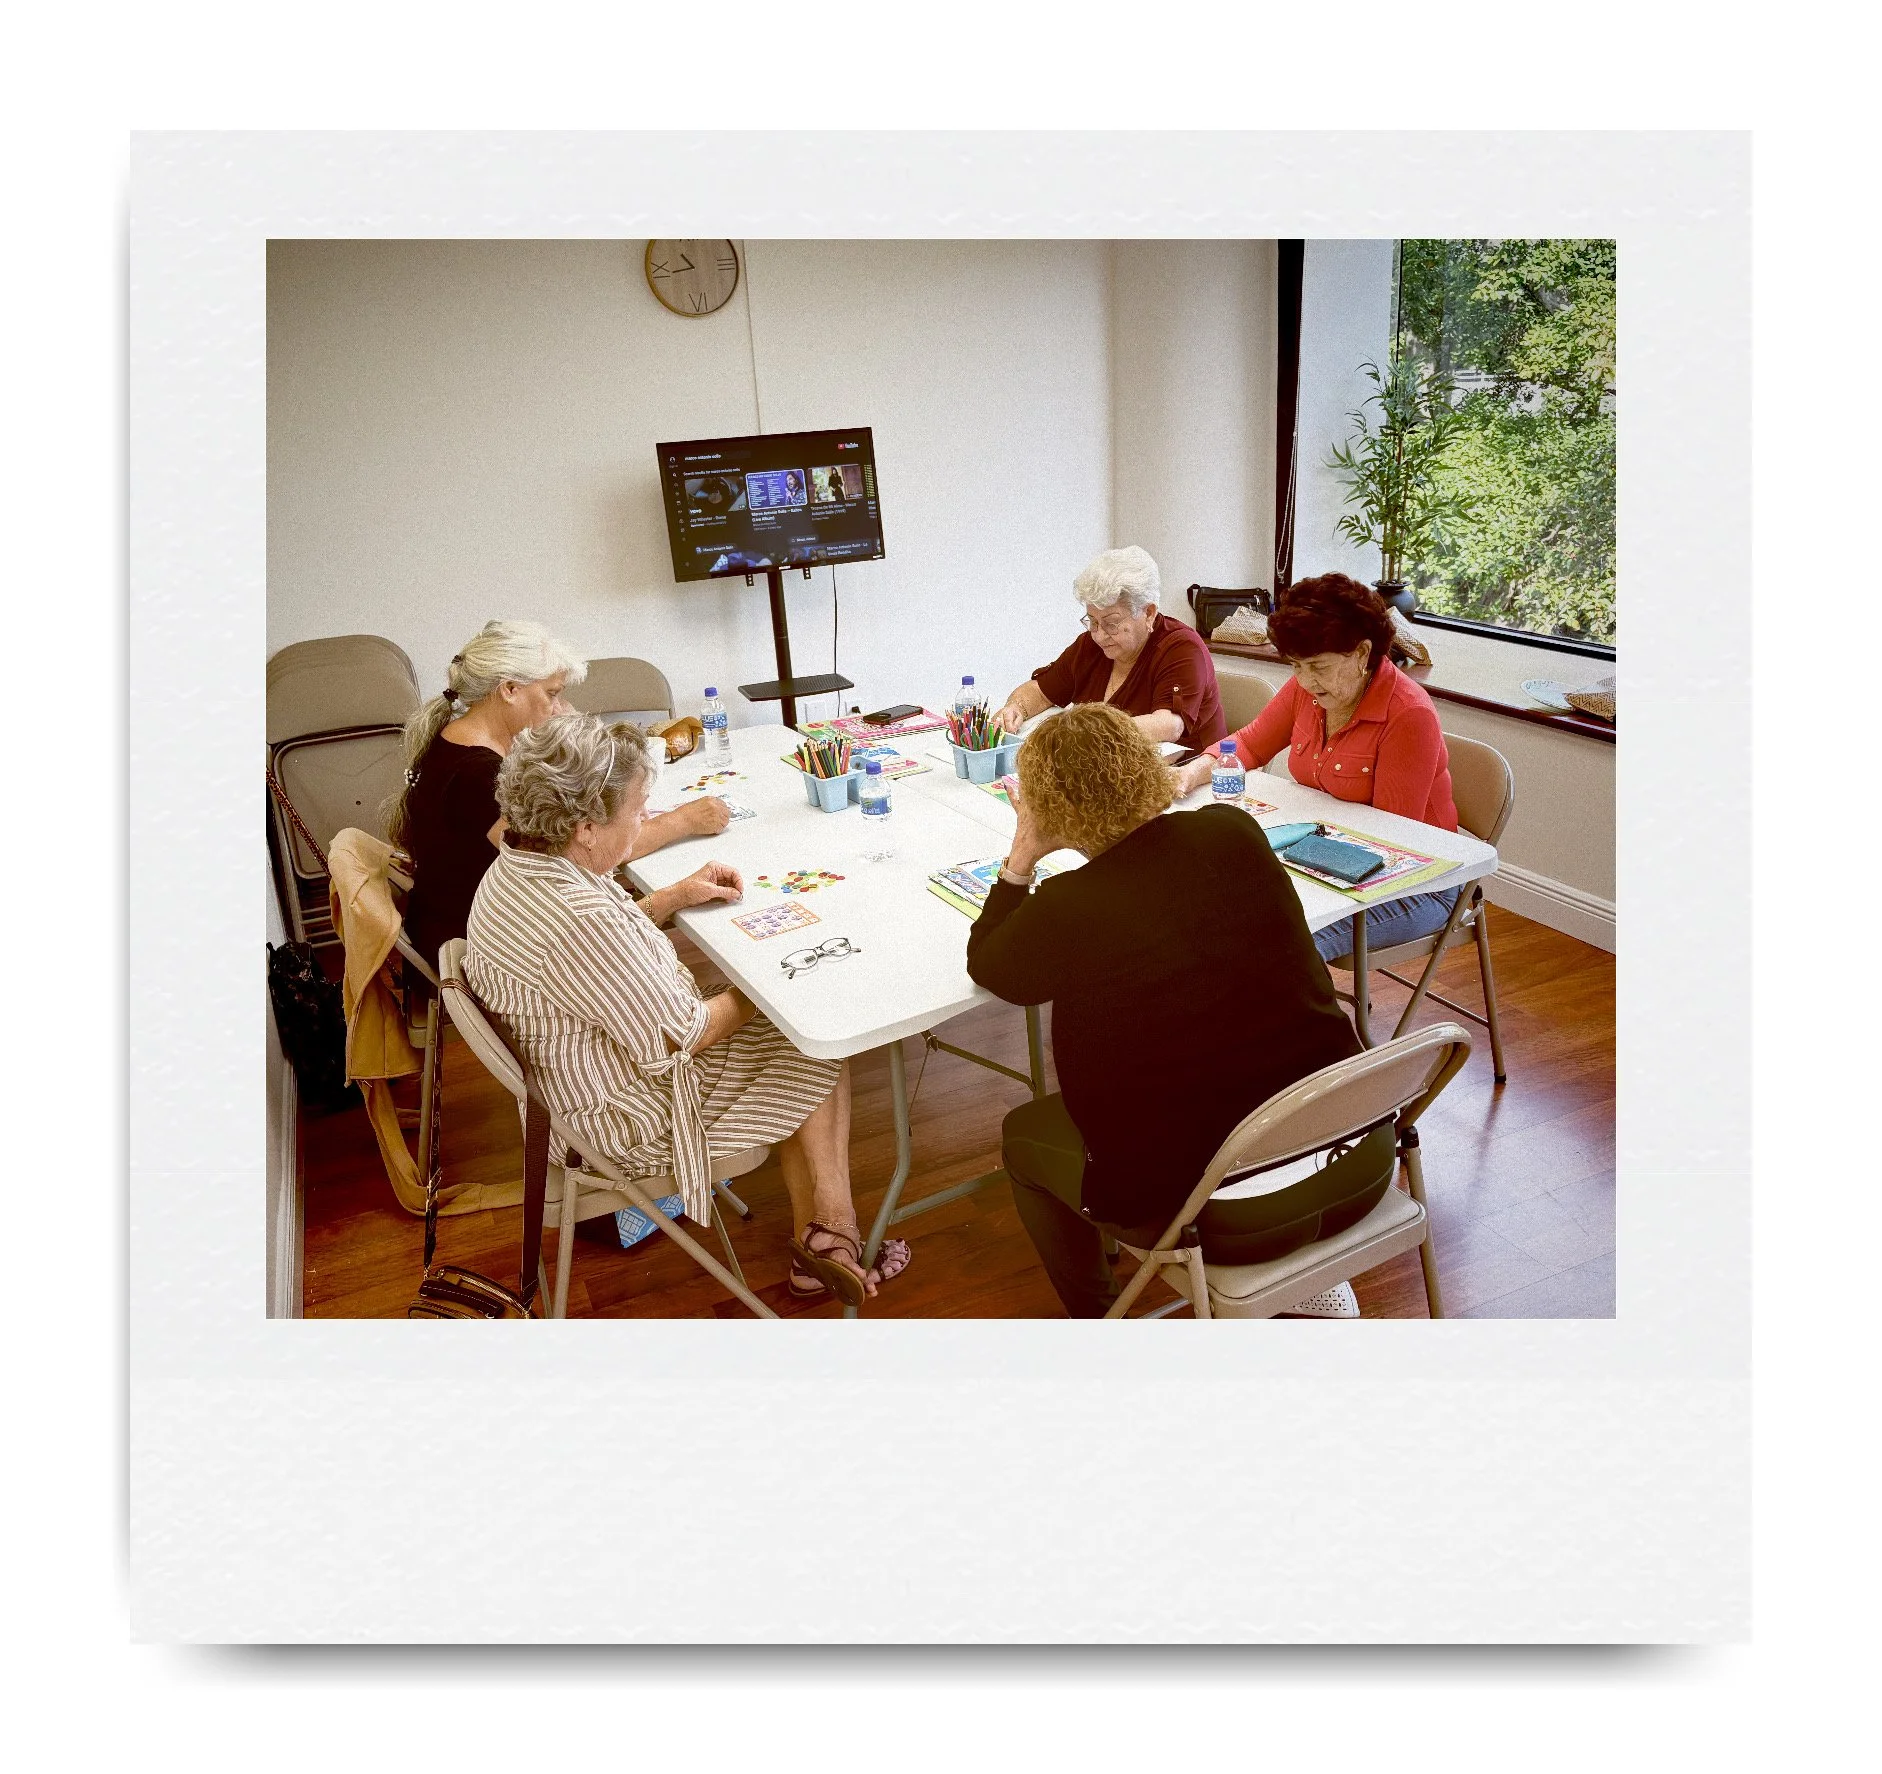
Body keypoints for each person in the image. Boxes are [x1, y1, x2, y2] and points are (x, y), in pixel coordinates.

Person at [464, 712, 910, 1304]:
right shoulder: (583, 918)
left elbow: (587, 962)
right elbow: (682, 1035)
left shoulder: (520, 870)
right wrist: (767, 985)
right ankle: (832, 1237)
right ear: (585, 826)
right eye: (636, 807)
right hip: (619, 1122)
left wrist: (671, 896)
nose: (646, 818)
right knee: (813, 1044)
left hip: (572, 1090)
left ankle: (823, 1241)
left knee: (790, 1034)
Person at [965, 704, 1369, 1318]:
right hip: (1355, 1159)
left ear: (1050, 808)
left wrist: (1022, 856)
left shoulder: (1071, 905)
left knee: (1023, 1137)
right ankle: (1306, 1270)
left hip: (1221, 1216)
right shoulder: (1232, 833)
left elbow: (992, 968)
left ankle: (1103, 1318)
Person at [385, 619, 732, 965]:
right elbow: (584, 853)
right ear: (509, 689)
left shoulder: (458, 738)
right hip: (485, 953)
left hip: (467, 927)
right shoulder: (480, 775)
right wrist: (684, 821)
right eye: (552, 693)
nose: (558, 705)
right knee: (698, 947)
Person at [1170, 573, 1461, 964]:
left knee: (1280, 941)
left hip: (1415, 883)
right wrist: (1187, 774)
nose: (1305, 681)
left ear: (1361, 653)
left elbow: (1388, 838)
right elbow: (1251, 744)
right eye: (1295, 666)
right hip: (1327, 852)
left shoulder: (1408, 715)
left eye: (1318, 667)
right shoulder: (1308, 691)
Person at [989, 545, 1225, 748]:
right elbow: (1041, 690)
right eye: (1092, 621)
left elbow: (1169, 726)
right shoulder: (1091, 646)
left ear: (1148, 613)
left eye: (1111, 623)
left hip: (1187, 781)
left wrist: (1079, 732)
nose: (1099, 635)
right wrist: (1015, 708)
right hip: (1113, 773)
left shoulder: (1182, 648)